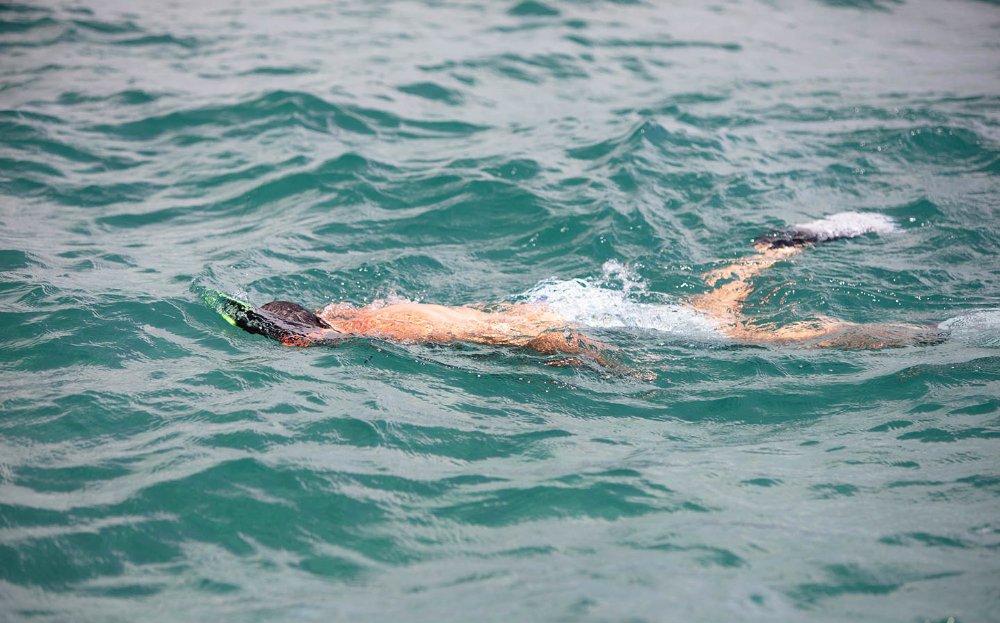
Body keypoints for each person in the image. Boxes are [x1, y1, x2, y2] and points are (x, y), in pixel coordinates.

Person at [217, 212, 941, 364]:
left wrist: (598, 362)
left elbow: (523, 336)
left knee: (738, 334)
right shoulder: (359, 312)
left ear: (301, 335)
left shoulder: (389, 330)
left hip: (575, 317)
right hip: (568, 294)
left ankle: (916, 334)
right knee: (704, 308)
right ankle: (773, 251)